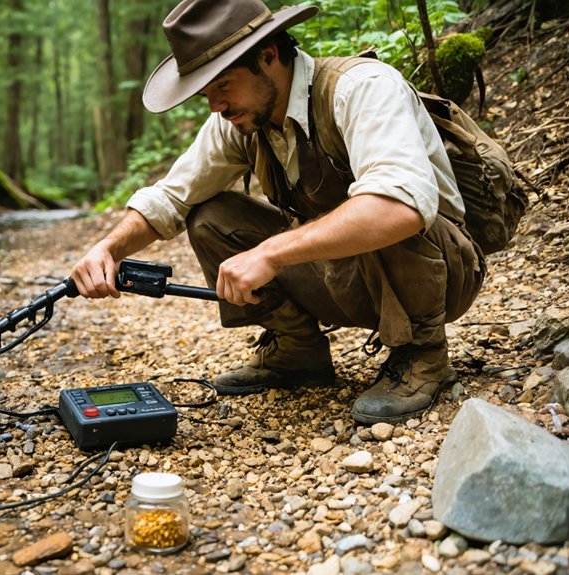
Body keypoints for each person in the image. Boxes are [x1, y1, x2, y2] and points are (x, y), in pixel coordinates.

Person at [70, 0, 485, 424]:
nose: (215, 106)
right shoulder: (241, 118)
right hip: (342, 275)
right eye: (205, 93)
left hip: (442, 271)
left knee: (386, 207)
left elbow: (402, 207)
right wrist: (109, 248)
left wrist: (270, 253)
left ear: (268, 55)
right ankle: (297, 350)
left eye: (222, 84)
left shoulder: (362, 88)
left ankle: (423, 353)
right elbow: (172, 197)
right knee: (210, 216)